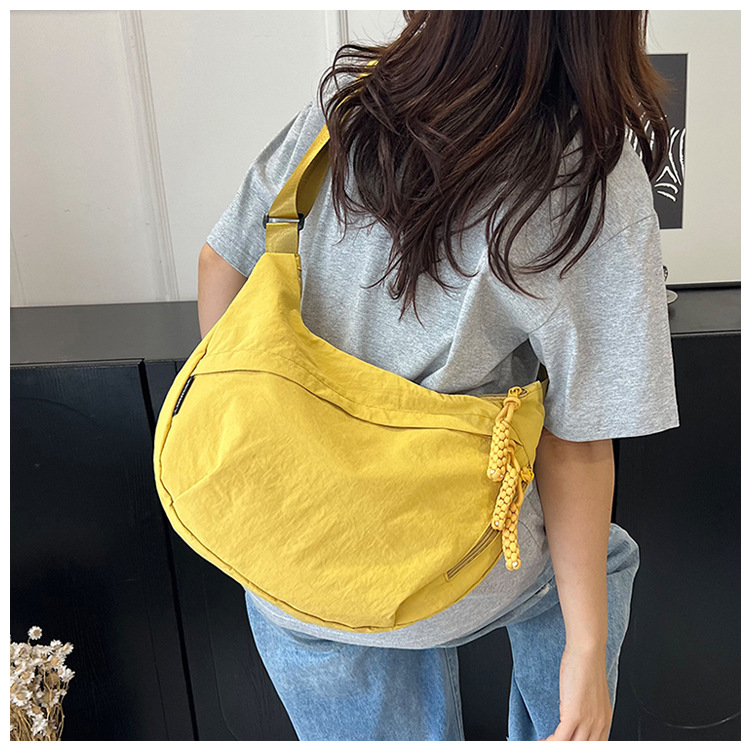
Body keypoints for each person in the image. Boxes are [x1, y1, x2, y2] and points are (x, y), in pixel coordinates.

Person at [196, 10, 679, 742]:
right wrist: (587, 650)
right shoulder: (583, 168)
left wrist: (265, 433)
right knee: (597, 561)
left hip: (277, 547)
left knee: (343, 628)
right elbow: (577, 442)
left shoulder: (354, 100)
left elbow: (220, 265)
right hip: (433, 569)